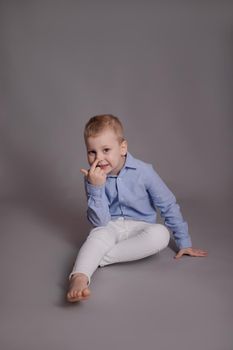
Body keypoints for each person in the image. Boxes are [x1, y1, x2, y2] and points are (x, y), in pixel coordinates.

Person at [67, 114, 207, 302]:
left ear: (122, 148)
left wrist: (184, 242)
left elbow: (168, 204)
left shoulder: (144, 172)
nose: (99, 158)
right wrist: (96, 187)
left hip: (142, 227)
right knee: (98, 235)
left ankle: (95, 259)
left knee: (161, 234)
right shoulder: (93, 178)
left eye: (106, 150)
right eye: (92, 152)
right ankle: (80, 277)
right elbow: (100, 222)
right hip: (111, 226)